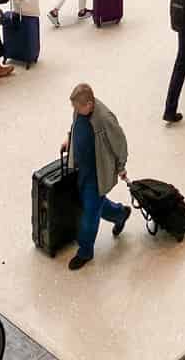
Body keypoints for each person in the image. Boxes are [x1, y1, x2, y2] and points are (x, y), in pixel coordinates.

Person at [61, 83, 131, 269]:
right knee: (92, 204)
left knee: (90, 213)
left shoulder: (105, 118)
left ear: (89, 104)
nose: (75, 111)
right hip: (82, 169)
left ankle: (85, 251)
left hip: (97, 173)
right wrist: (69, 137)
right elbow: (75, 126)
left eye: (77, 108)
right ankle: (120, 213)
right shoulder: (80, 110)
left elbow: (120, 142)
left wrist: (121, 166)